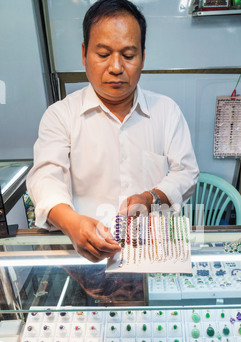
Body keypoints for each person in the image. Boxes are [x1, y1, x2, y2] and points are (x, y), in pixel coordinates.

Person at [27, 0, 199, 263]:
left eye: (128, 55)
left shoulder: (167, 111)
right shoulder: (60, 116)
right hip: (86, 255)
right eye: (104, 54)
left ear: (143, 56)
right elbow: (45, 179)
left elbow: (186, 172)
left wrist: (150, 197)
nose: (116, 67)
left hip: (151, 253)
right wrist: (72, 223)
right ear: (84, 54)